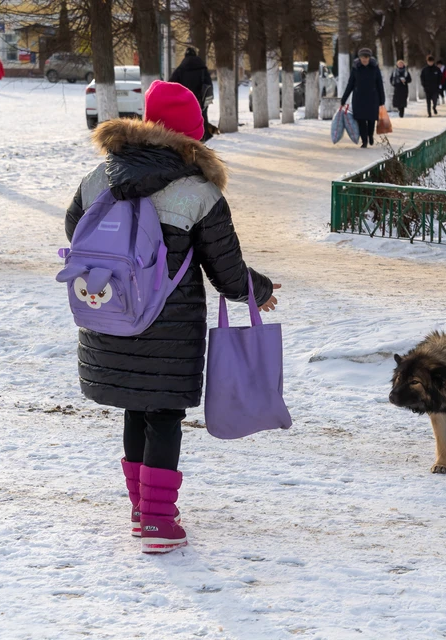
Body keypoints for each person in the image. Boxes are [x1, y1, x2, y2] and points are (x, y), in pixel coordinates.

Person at [64, 81, 280, 553]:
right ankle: (158, 523)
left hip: (110, 311)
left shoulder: (99, 176)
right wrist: (257, 291)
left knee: (134, 406)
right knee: (163, 412)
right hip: (169, 325)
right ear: (191, 135)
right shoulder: (198, 192)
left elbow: (75, 232)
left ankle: (143, 509)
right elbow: (225, 269)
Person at [340, 47, 385, 148]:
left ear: (369, 58)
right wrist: (344, 99)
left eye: (366, 57)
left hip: (372, 98)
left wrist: (382, 100)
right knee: (361, 120)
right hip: (359, 98)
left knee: (371, 119)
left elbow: (379, 84)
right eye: (362, 57)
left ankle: (370, 135)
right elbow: (350, 84)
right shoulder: (356, 68)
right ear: (359, 58)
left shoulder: (375, 68)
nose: (364, 59)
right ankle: (364, 140)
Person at [169, 47, 214, 142]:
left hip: (185, 99)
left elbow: (171, 83)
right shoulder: (202, 68)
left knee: (187, 118)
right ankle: (203, 136)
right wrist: (207, 98)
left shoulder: (181, 68)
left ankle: (189, 137)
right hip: (200, 98)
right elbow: (208, 84)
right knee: (202, 116)